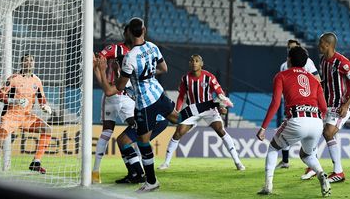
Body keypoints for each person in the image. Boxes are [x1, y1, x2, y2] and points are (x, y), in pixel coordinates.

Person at [102, 17, 179, 192]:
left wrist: (101, 71)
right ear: (144, 30)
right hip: (158, 95)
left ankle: (149, 180)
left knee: (141, 144)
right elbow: (164, 69)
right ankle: (137, 175)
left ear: (129, 32)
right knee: (126, 141)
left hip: (146, 106)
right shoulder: (153, 47)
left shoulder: (130, 58)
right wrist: (148, 74)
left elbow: (118, 88)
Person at [256, 46, 331, 197]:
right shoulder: (314, 80)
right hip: (316, 121)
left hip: (297, 118)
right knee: (307, 155)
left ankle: (268, 186)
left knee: (273, 147)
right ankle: (321, 173)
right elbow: (323, 107)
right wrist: (318, 123)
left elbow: (276, 103)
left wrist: (263, 127)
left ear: (289, 59)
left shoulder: (281, 75)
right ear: (305, 62)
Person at [157, 54, 243, 171]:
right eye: (192, 61)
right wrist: (177, 111)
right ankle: (166, 163)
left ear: (201, 64)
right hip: (192, 110)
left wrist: (222, 106)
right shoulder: (185, 79)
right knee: (178, 132)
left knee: (220, 129)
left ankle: (237, 162)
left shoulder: (209, 77)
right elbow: (181, 96)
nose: (194, 63)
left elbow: (220, 93)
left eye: (197, 61)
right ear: (189, 64)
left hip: (208, 109)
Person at [301, 32, 350, 183]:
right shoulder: (323, 60)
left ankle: (338, 172)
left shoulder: (343, 62)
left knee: (328, 133)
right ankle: (314, 167)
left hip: (342, 105)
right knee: (317, 132)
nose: (318, 45)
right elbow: (326, 82)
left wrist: (346, 105)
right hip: (327, 104)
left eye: (320, 42)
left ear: (328, 44)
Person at [0, 54, 52, 174]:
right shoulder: (14, 78)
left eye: (31, 60)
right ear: (21, 63)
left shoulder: (37, 81)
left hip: (26, 117)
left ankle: (36, 162)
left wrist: (45, 106)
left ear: (34, 63)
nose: (29, 63)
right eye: (26, 60)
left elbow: (41, 98)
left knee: (47, 129)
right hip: (11, 116)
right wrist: (14, 100)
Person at [91, 24, 138, 183]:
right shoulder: (115, 49)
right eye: (129, 32)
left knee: (131, 130)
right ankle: (96, 171)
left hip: (125, 97)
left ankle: (135, 171)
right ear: (126, 33)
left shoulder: (139, 51)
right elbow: (98, 61)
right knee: (110, 132)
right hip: (115, 95)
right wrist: (99, 73)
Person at [276, 39, 321, 170]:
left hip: (307, 104)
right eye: (289, 48)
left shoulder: (307, 62)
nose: (291, 50)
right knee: (285, 131)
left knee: (307, 135)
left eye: (294, 47)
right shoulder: (283, 66)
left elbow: (318, 80)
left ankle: (312, 165)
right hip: (290, 104)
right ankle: (285, 161)